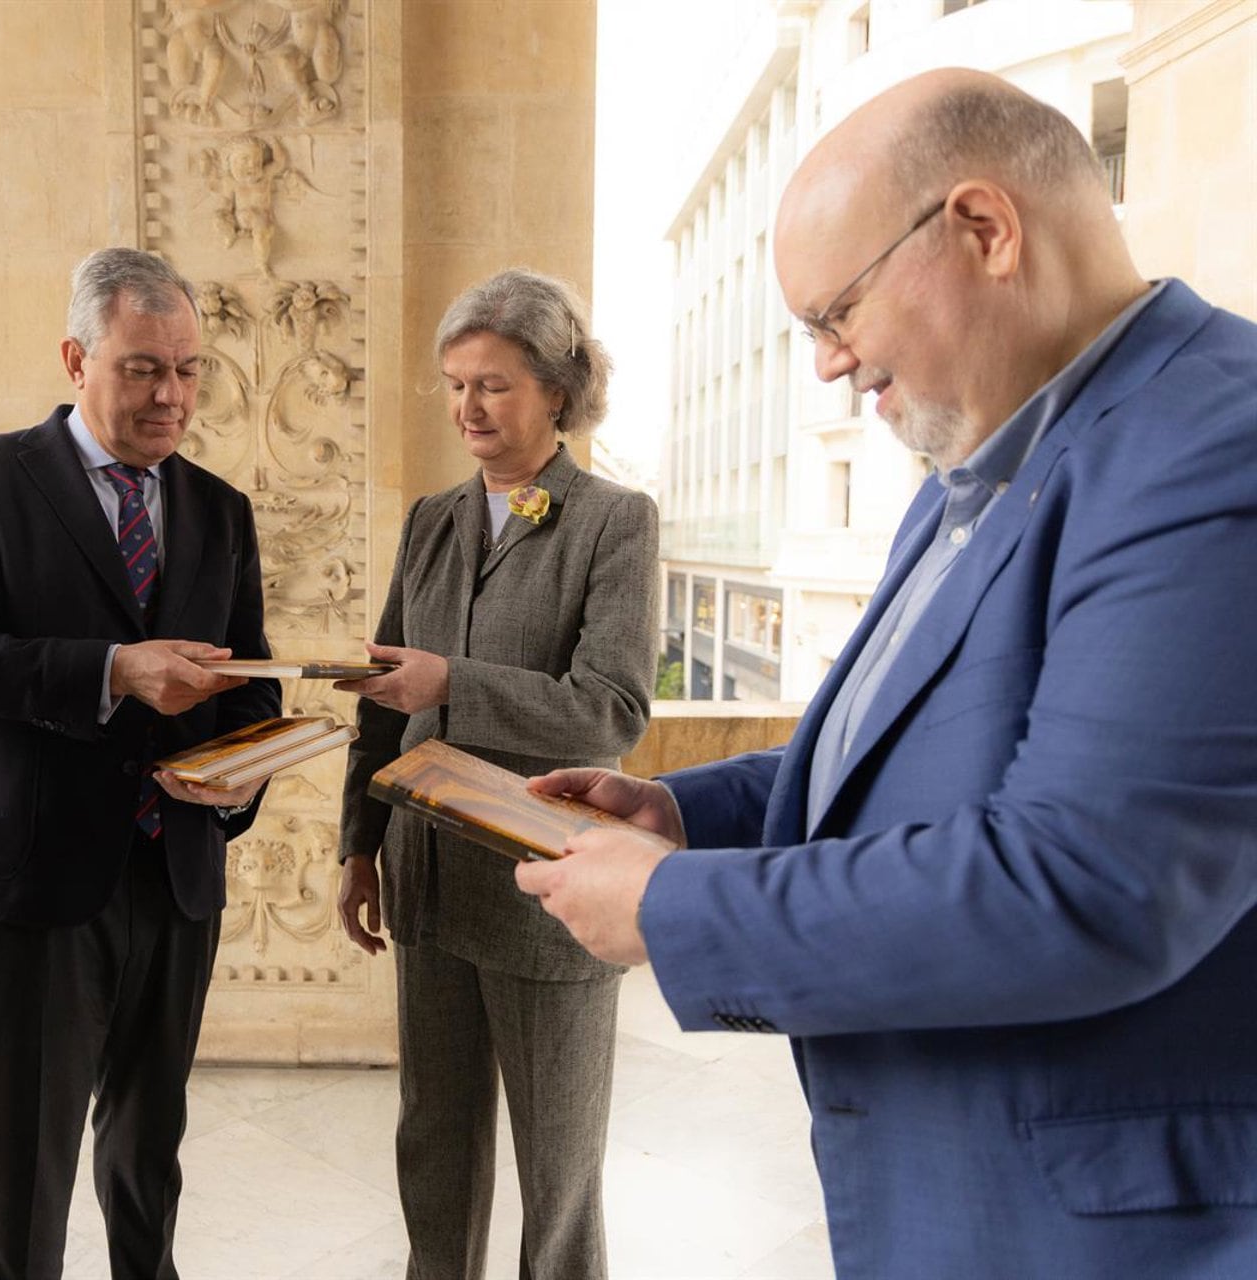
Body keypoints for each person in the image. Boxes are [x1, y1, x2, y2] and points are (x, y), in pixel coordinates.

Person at [515, 69, 1257, 1278]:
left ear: (984, 228)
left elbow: (1087, 883)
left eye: (837, 311)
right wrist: (688, 815)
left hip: (1108, 1236)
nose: (825, 364)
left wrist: (672, 908)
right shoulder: (973, 467)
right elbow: (910, 746)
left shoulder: (1215, 443)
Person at [0, 246, 283, 1280]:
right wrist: (114, 668)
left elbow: (250, 677)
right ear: (77, 359)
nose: (172, 395)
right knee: (24, 1165)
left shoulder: (220, 508)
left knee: (149, 1150)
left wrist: (245, 769)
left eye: (189, 369)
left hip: (178, 869)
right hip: (35, 878)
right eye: (143, 368)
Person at [334, 269, 659, 1278]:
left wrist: (453, 683)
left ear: (558, 390)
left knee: (558, 1176)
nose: (467, 407)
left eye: (493, 385)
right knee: (433, 1148)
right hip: (429, 885)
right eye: (455, 384)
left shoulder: (614, 520)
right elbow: (382, 698)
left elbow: (611, 707)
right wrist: (358, 847)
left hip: (550, 896)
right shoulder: (430, 520)